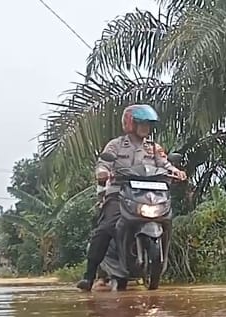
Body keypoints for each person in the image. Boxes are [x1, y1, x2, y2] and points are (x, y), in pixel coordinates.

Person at [77, 104, 187, 291]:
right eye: (141, 123)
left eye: (148, 124)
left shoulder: (153, 148)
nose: (145, 127)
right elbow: (103, 163)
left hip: (150, 193)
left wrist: (177, 172)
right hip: (119, 193)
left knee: (166, 218)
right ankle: (89, 275)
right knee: (105, 228)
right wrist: (102, 172)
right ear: (130, 123)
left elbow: (165, 164)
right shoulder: (116, 145)